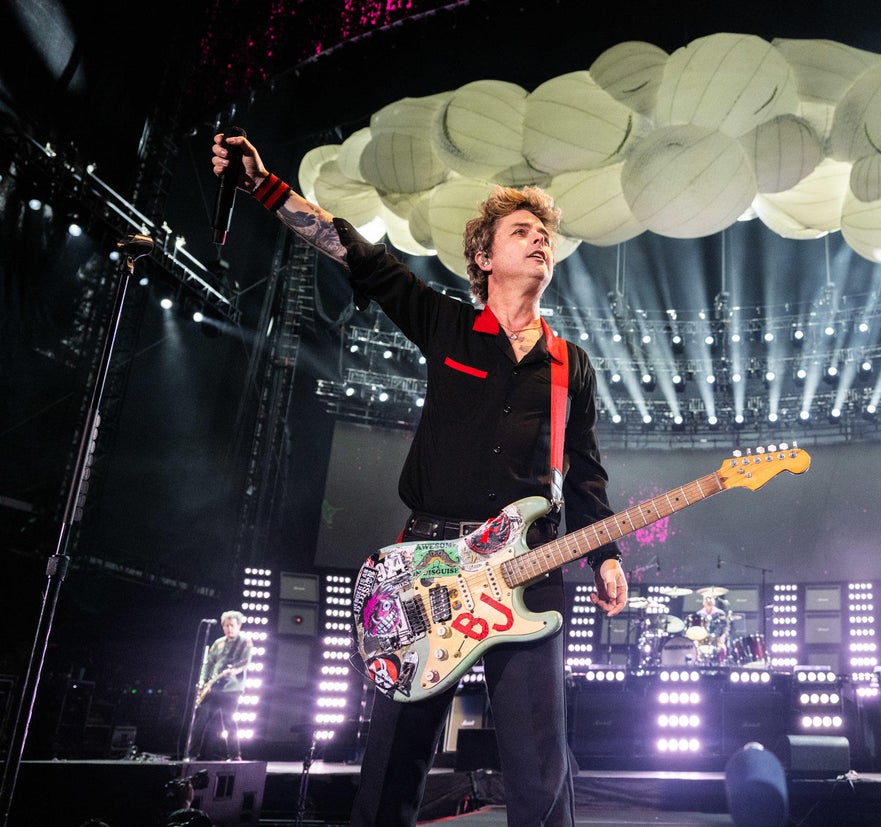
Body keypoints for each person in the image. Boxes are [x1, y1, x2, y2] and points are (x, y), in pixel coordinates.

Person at [210, 132, 628, 826]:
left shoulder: (570, 364)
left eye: (545, 234)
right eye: (521, 231)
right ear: (484, 258)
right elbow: (361, 257)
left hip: (529, 572)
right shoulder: (446, 324)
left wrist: (606, 555)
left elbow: (585, 474)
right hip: (430, 569)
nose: (539, 240)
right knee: (395, 760)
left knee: (540, 767)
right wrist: (263, 186)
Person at [189, 610, 254, 761]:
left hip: (232, 689)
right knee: (200, 720)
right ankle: (191, 754)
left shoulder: (245, 641)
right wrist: (202, 680)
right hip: (213, 688)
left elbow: (245, 662)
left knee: (229, 721)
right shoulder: (218, 642)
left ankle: (235, 754)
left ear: (239, 626)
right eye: (226, 625)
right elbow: (209, 663)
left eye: (232, 625)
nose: (229, 628)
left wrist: (234, 671)